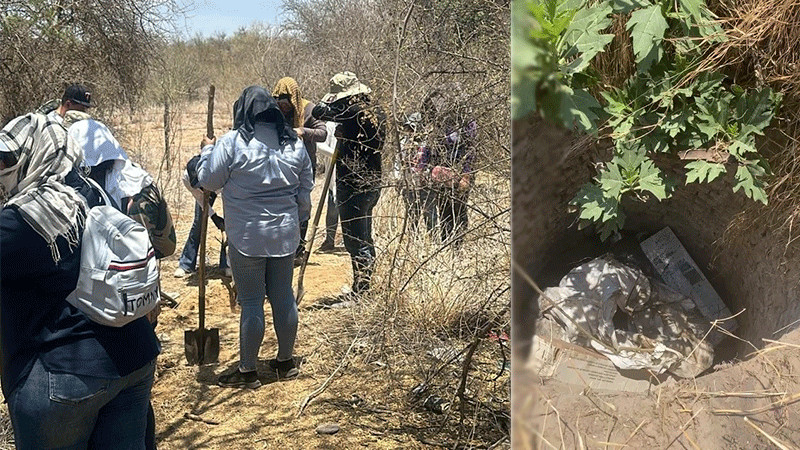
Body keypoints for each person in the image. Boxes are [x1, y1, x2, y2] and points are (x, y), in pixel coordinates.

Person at [0, 112, 159, 448]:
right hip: (134, 359)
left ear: (34, 156)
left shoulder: (24, 219)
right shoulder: (91, 189)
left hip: (65, 376)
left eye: (8, 160)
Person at [195, 86, 313, 387]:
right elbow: (304, 193)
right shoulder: (294, 144)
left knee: (250, 301)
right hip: (285, 234)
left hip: (246, 236)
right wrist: (295, 223)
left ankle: (247, 371)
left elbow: (208, 179)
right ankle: (285, 363)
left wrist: (207, 149)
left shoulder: (232, 143)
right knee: (283, 295)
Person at [312, 72, 386, 296]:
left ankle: (361, 291)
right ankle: (364, 286)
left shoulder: (350, 111)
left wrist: (332, 103)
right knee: (364, 236)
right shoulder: (377, 111)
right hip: (372, 182)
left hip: (353, 183)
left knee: (355, 240)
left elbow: (317, 111)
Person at [273, 77, 328, 265]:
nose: (283, 107)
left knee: (302, 204)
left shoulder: (309, 109)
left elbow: (323, 134)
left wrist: (303, 131)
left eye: (286, 103)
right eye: (279, 103)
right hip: (280, 166)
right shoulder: (274, 111)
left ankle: (299, 249)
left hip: (304, 167)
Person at [419, 90, 476, 247]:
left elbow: (470, 150)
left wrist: (466, 175)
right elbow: (427, 148)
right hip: (440, 174)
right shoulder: (436, 126)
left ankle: (458, 247)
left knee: (459, 210)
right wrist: (424, 169)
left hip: (458, 172)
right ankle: (445, 244)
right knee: (443, 211)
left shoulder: (466, 124)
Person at [174, 157, 229, 278]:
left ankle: (227, 264)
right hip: (205, 192)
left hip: (222, 186)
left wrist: (223, 219)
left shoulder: (220, 172)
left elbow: (228, 194)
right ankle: (186, 264)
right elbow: (200, 198)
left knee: (229, 223)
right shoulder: (187, 179)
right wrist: (213, 216)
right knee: (198, 223)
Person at [395, 111, 436, 233]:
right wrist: (398, 178)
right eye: (409, 128)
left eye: (413, 127)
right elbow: (398, 161)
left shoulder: (429, 143)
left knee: (430, 214)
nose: (411, 131)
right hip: (409, 183)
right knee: (413, 214)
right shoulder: (404, 142)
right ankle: (413, 240)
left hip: (426, 184)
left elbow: (434, 160)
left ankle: (433, 240)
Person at [317, 121, 340, 252]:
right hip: (333, 171)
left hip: (351, 172)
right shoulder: (330, 125)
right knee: (332, 209)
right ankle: (329, 240)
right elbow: (320, 146)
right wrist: (337, 154)